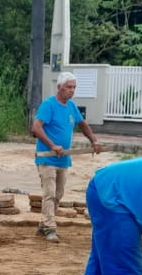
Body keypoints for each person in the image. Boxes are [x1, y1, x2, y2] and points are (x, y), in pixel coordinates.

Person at [31, 71, 101, 243]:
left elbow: (83, 125)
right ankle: (49, 228)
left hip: (63, 159)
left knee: (58, 194)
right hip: (47, 158)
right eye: (69, 87)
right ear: (59, 87)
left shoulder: (71, 107)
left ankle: (44, 223)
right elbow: (36, 128)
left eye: (74, 87)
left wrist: (94, 141)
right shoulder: (49, 105)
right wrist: (53, 145)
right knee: (49, 193)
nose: (72, 90)